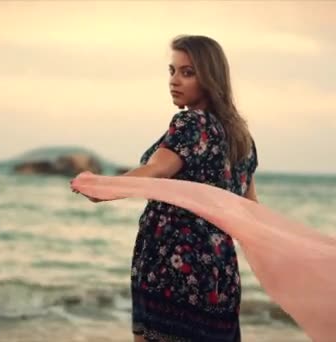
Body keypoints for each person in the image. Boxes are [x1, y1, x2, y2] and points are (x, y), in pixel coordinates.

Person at [72, 34, 259, 342]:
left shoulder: (192, 124)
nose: (175, 81)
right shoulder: (242, 138)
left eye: (188, 72)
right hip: (219, 272)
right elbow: (250, 210)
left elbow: (157, 169)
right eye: (172, 71)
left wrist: (104, 188)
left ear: (211, 78)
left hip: (173, 265)